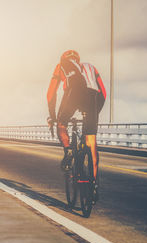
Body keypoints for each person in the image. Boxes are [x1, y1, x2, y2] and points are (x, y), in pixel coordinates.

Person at [46, 50, 106, 187]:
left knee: (61, 124)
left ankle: (69, 150)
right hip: (93, 97)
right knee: (91, 142)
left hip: (73, 93)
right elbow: (103, 92)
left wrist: (53, 116)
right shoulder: (91, 67)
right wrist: (94, 114)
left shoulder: (61, 65)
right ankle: (94, 184)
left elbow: (51, 93)